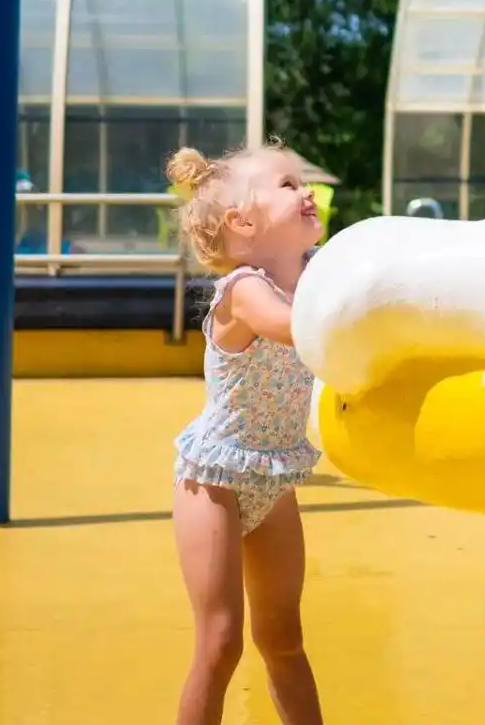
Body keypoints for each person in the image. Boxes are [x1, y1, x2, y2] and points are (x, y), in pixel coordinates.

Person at [167, 142, 326, 725]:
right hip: (215, 480)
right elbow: (291, 327)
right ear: (242, 222)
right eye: (287, 185)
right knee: (220, 641)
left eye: (303, 182)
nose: (307, 191)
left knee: (284, 640)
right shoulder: (244, 289)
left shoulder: (318, 274)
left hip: (274, 477)